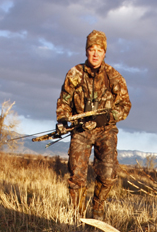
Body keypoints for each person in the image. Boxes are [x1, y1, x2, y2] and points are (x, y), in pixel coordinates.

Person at [56, 30, 131, 219]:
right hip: (80, 130)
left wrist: (107, 117)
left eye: (99, 49)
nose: (95, 53)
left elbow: (125, 106)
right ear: (86, 51)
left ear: (105, 52)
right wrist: (64, 119)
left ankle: (97, 212)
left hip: (105, 131)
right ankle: (77, 219)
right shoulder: (74, 73)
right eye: (91, 49)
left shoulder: (114, 76)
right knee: (76, 176)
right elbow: (64, 102)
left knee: (108, 174)